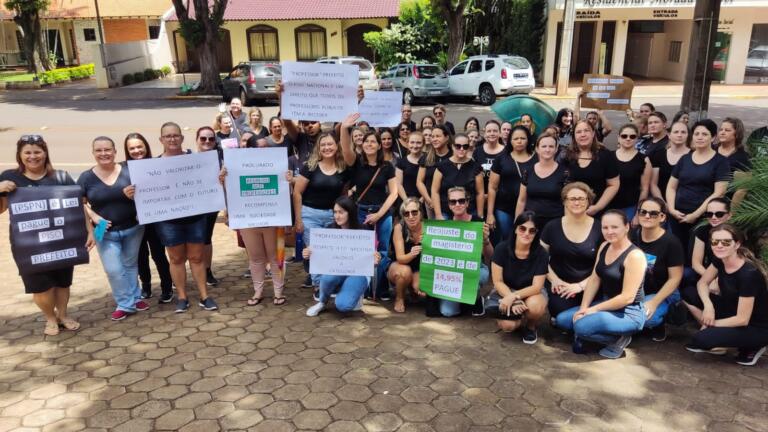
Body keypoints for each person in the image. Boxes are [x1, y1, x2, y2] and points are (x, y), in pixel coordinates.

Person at [0, 135, 94, 335]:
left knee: (62, 281)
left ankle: (63, 314)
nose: (33, 156)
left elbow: (79, 206)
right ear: (20, 155)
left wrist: (90, 230)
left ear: (45, 154)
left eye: (37, 152)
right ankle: (50, 317)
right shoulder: (9, 177)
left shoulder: (60, 177)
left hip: (63, 238)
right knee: (40, 286)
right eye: (28, 152)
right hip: (29, 244)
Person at [557, 210, 647, 359]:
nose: (609, 231)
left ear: (626, 227)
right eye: (605, 227)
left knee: (580, 326)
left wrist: (592, 310)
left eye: (614, 227)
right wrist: (584, 308)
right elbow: (594, 279)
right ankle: (593, 333)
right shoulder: (605, 245)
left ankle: (618, 339)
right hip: (607, 303)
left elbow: (627, 298)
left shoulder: (635, 256)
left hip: (629, 312)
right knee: (562, 320)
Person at [79, 136, 147, 321]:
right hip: (102, 230)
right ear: (93, 153)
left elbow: (147, 193)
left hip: (133, 226)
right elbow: (79, 203)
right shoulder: (86, 177)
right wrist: (94, 217)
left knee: (130, 264)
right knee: (113, 269)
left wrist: (134, 197)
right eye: (99, 150)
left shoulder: (128, 171)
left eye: (107, 149)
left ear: (115, 151)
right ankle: (125, 304)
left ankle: (135, 297)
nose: (104, 153)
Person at [153, 122, 218, 313]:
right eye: (168, 136)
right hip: (168, 221)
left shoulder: (194, 160)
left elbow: (208, 181)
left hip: (195, 217)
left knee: (197, 258)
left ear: (182, 138)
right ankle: (182, 297)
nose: (172, 139)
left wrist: (219, 178)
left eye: (175, 135)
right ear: (161, 140)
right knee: (176, 259)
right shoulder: (153, 166)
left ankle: (204, 296)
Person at [683, 224, 768, 366]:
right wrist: (708, 306)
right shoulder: (720, 259)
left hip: (756, 326)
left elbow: (742, 319)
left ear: (737, 244)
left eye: (726, 242)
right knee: (688, 293)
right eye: (715, 242)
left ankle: (754, 345)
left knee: (701, 339)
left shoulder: (748, 274)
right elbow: (702, 283)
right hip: (732, 310)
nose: (719, 246)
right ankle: (723, 336)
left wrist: (711, 324)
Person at [340, 114, 399, 293]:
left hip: (383, 213)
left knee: (382, 251)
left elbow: (394, 192)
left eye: (373, 141)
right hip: (361, 212)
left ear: (379, 145)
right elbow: (345, 149)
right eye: (366, 142)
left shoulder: (387, 166)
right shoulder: (356, 162)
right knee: (362, 250)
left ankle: (379, 288)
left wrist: (380, 214)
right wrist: (344, 128)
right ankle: (363, 288)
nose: (369, 144)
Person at [218, 165, 287, 307]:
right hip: (247, 222)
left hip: (273, 220)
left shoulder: (276, 165)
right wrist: (224, 181)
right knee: (256, 258)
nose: (260, 150)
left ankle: (278, 292)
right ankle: (258, 292)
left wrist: (288, 180)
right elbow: (230, 192)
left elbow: (286, 190)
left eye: (264, 147)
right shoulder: (234, 167)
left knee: (276, 257)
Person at [293, 132, 349, 290]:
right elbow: (297, 193)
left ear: (336, 146)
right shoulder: (310, 167)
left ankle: (330, 284)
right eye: (323, 145)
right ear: (318, 148)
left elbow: (343, 194)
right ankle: (319, 287)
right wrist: (298, 220)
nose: (327, 148)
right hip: (311, 215)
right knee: (315, 252)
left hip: (333, 217)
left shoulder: (342, 168)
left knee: (331, 252)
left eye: (330, 144)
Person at [666, 119, 730, 258]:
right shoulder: (685, 159)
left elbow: (719, 192)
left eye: (704, 134)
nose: (699, 137)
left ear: (713, 137)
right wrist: (671, 209)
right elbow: (671, 186)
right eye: (696, 134)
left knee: (694, 255)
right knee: (676, 253)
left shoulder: (721, 162)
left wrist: (695, 214)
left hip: (702, 217)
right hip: (677, 215)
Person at [306, 197, 379, 316]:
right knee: (327, 278)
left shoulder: (363, 230)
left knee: (343, 306)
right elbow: (320, 252)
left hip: (358, 272)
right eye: (335, 212)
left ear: (350, 212)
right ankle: (322, 302)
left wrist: (375, 259)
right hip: (337, 269)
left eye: (341, 212)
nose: (337, 216)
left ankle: (354, 292)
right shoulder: (330, 230)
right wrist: (309, 253)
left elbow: (372, 257)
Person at [541, 182, 603, 322]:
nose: (577, 202)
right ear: (565, 202)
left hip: (591, 285)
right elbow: (540, 257)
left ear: (589, 201)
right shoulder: (552, 227)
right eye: (572, 199)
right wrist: (554, 280)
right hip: (561, 286)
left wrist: (580, 286)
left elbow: (603, 265)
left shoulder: (600, 228)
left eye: (581, 198)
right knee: (560, 314)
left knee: (588, 316)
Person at [124, 133, 173, 302]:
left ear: (146, 147)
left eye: (139, 147)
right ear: (127, 150)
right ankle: (146, 286)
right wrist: (126, 194)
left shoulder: (156, 165)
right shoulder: (123, 169)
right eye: (132, 148)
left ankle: (167, 286)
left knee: (159, 254)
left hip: (155, 219)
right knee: (140, 255)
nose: (137, 151)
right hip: (133, 220)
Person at [631, 197, 684, 341]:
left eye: (653, 213)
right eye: (643, 212)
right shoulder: (632, 235)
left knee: (647, 318)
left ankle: (661, 322)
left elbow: (675, 278)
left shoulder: (671, 242)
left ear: (662, 217)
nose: (647, 216)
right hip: (636, 291)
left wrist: (654, 302)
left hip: (663, 293)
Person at [491, 211, 548, 344]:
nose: (526, 233)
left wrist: (514, 297)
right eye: (522, 228)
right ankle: (517, 317)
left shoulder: (541, 253)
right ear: (516, 229)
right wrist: (511, 298)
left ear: (536, 233)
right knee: (508, 326)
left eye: (532, 230)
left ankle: (530, 326)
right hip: (506, 288)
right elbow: (497, 281)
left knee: (534, 307)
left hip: (531, 292)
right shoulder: (501, 249)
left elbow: (537, 286)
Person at [440, 187, 492, 317]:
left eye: (461, 201)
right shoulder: (444, 226)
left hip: (475, 268)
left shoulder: (478, 223)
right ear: (449, 205)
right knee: (448, 312)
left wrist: (486, 240)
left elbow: (491, 255)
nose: (457, 204)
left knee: (480, 275)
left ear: (467, 203)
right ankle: (464, 299)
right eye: (453, 202)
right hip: (452, 271)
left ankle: (476, 297)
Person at [561, 120, 620, 217]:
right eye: (578, 132)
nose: (583, 134)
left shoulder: (606, 156)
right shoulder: (566, 156)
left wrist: (597, 207)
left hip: (597, 211)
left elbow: (613, 185)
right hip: (571, 211)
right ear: (574, 136)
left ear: (593, 133)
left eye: (586, 131)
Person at [487, 126, 536, 241]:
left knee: (525, 239)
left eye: (523, 138)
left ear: (528, 140)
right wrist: (490, 213)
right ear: (510, 140)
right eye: (516, 138)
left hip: (529, 208)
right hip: (504, 208)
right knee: (507, 238)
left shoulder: (537, 159)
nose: (519, 141)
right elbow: (492, 187)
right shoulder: (502, 158)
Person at [516, 134, 569, 229]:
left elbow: (567, 202)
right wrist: (517, 223)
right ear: (537, 149)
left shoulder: (565, 173)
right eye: (544, 146)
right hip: (530, 224)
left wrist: (566, 226)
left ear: (556, 149)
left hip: (554, 224)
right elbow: (521, 200)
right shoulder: (528, 171)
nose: (547, 149)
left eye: (551, 146)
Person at [431, 133, 484, 220]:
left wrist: (480, 215)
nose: (461, 149)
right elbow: (434, 191)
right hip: (446, 212)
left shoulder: (475, 167)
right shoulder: (442, 166)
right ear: (452, 146)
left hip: (469, 212)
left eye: (465, 146)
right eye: (458, 146)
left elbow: (480, 193)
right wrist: (438, 214)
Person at [388, 198, 424, 313]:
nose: (411, 216)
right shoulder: (399, 228)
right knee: (403, 272)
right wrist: (412, 253)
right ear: (403, 216)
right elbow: (400, 258)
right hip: (401, 264)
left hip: (420, 268)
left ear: (421, 213)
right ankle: (399, 298)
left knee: (421, 289)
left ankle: (412, 289)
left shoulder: (429, 227)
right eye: (406, 213)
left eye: (414, 212)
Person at [196, 127, 221, 287]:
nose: (207, 142)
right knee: (190, 240)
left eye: (211, 139)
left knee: (206, 238)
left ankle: (207, 270)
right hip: (190, 206)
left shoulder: (219, 158)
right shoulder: (187, 158)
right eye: (203, 138)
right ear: (197, 139)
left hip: (211, 205)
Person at [609, 124, 651, 221]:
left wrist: (638, 214)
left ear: (637, 139)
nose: (628, 139)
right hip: (608, 206)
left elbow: (644, 189)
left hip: (630, 208)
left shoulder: (644, 160)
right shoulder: (608, 157)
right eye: (624, 136)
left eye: (632, 136)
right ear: (618, 138)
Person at [690, 198, 732, 278]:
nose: (713, 217)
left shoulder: (736, 233)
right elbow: (696, 263)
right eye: (709, 214)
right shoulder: (702, 231)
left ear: (729, 215)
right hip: (708, 274)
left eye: (719, 214)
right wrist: (709, 279)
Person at [416, 125, 452, 218]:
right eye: (433, 136)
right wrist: (429, 200)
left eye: (438, 136)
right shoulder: (427, 157)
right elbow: (419, 182)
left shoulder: (453, 156)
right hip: (431, 203)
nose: (434, 139)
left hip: (452, 203)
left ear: (447, 137)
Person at [650, 121, 690, 203]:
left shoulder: (693, 156)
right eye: (676, 132)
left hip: (685, 204)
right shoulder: (659, 154)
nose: (679, 135)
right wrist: (663, 204)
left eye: (683, 132)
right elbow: (653, 184)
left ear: (688, 135)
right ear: (669, 135)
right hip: (661, 202)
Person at [717, 117, 751, 206]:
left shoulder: (743, 158)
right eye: (721, 129)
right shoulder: (710, 149)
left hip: (724, 204)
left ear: (737, 134)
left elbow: (741, 190)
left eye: (727, 130)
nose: (722, 132)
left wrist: (731, 214)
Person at [474, 120, 506, 210]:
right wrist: (482, 195)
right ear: (485, 134)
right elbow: (474, 174)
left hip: (500, 198)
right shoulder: (477, 151)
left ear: (500, 133)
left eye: (495, 131)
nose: (492, 133)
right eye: (489, 131)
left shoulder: (506, 152)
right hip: (481, 197)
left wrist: (490, 195)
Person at [396, 131, 424, 203]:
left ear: (423, 144)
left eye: (418, 143)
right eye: (412, 142)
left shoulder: (429, 160)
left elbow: (430, 183)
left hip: (424, 201)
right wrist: (407, 201)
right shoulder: (401, 162)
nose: (415, 145)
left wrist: (423, 199)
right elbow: (399, 184)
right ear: (407, 144)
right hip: (405, 201)